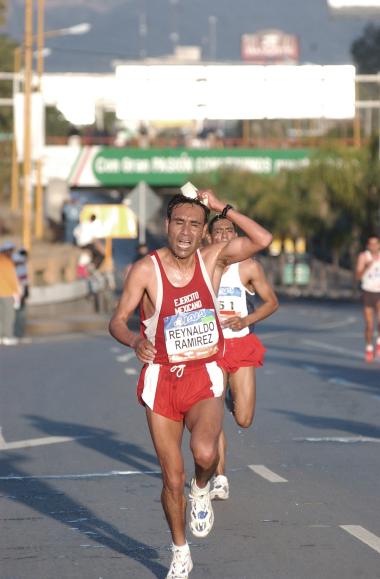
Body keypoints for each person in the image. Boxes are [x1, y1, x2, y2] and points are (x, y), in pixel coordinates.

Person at [109, 190, 272, 578]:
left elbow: (262, 240)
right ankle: (180, 550)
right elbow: (117, 319)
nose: (185, 231)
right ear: (166, 226)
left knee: (202, 453)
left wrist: (222, 208)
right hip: (161, 378)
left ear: (203, 232)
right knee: (171, 477)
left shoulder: (212, 259)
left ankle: (202, 489)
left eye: (195, 224)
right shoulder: (145, 270)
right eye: (179, 223)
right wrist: (134, 340)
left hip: (203, 372)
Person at [206, 215, 279, 500]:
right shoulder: (201, 266)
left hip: (240, 345)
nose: (224, 235)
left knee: (244, 419)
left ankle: (228, 398)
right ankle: (220, 477)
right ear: (209, 238)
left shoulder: (248, 267)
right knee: (211, 420)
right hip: (210, 349)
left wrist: (246, 319)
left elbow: (272, 302)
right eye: (218, 231)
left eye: (228, 230)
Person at [355, 234, 380, 363]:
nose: (374, 246)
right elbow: (358, 276)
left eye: (376, 243)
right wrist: (367, 266)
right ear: (368, 245)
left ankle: (379, 342)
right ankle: (369, 347)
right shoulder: (364, 257)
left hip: (379, 292)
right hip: (368, 292)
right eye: (371, 244)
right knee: (369, 325)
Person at [0, 241, 21, 346]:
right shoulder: (7, 263)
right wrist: (16, 293)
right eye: (10, 250)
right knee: (9, 316)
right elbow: (12, 279)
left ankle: (1, 336)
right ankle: (7, 336)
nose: (12, 253)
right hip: (6, 292)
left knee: (1, 316)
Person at [12, 247, 30, 339]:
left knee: (20, 313)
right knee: (18, 314)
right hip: (17, 293)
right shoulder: (19, 265)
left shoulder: (22, 265)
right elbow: (21, 282)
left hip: (21, 291)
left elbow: (25, 281)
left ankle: (19, 334)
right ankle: (17, 334)